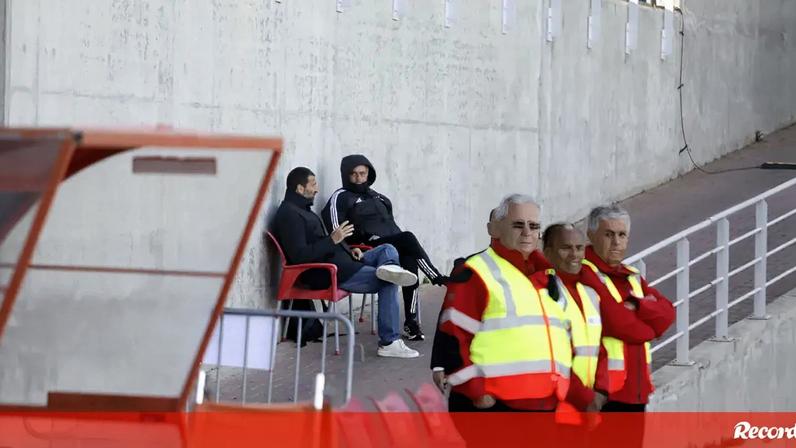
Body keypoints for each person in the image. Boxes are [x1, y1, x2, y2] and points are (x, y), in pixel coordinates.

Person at [437, 194, 572, 413]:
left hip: (545, 403)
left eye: (534, 226)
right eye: (518, 225)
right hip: (496, 406)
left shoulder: (548, 274)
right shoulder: (476, 271)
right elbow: (453, 337)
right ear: (496, 229)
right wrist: (477, 392)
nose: (527, 232)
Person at [272, 167, 420, 358]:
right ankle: (389, 342)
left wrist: (349, 250)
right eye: (313, 184)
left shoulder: (302, 210)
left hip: (344, 262)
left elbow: (322, 244)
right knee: (389, 281)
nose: (317, 189)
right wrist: (332, 240)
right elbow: (300, 255)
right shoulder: (290, 215)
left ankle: (389, 267)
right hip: (327, 272)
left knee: (387, 249)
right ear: (300, 188)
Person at [531, 223, 667, 415]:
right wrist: (586, 398)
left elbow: (599, 347)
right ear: (548, 252)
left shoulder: (589, 294)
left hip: (589, 405)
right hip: (555, 403)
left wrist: (600, 392)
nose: (574, 255)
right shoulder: (539, 290)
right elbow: (549, 354)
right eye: (565, 248)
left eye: (578, 248)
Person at [322, 154, 447, 342]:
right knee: (407, 238)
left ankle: (411, 322)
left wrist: (402, 245)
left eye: (362, 174)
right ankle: (435, 276)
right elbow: (334, 230)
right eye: (353, 174)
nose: (358, 178)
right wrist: (350, 250)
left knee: (409, 257)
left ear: (369, 174)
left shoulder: (380, 198)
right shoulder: (340, 197)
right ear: (346, 175)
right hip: (365, 249)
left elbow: (392, 226)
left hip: (390, 246)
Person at [584, 205, 675, 445]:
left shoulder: (632, 275)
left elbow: (668, 313)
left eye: (621, 235)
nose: (616, 242)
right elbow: (618, 323)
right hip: (603, 394)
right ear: (591, 236)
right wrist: (649, 328)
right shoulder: (585, 272)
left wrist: (637, 305)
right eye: (608, 234)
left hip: (635, 390)